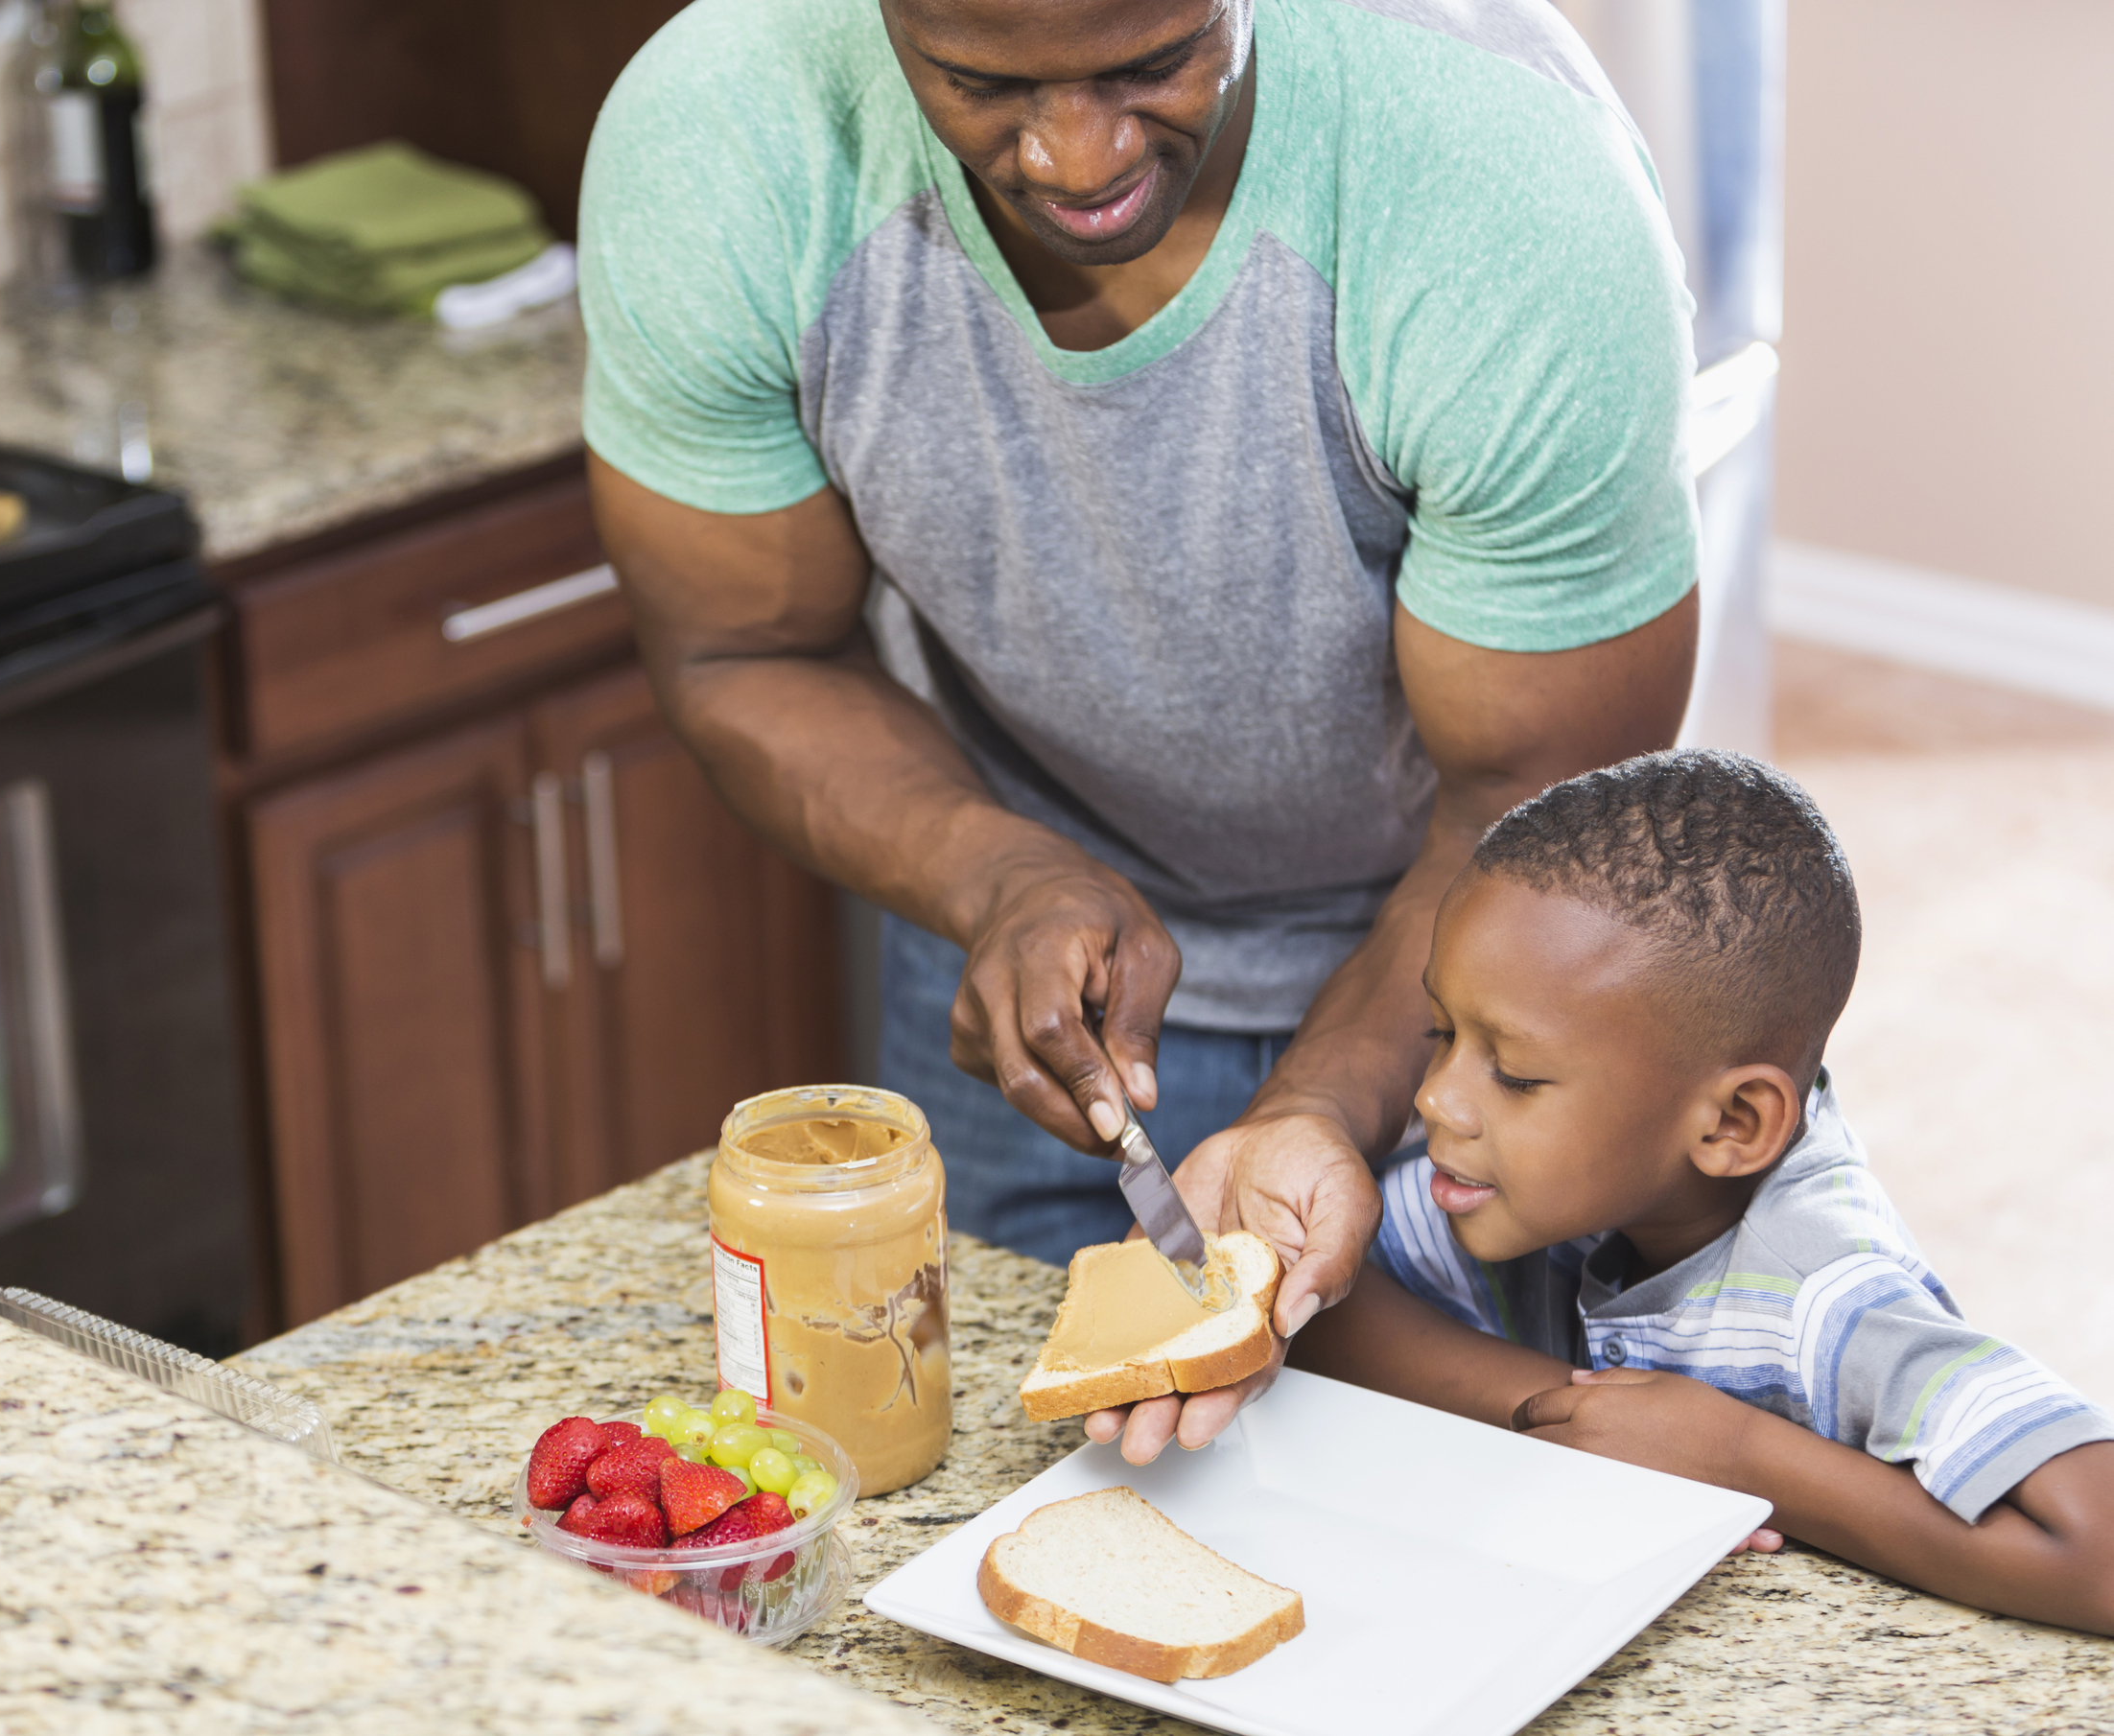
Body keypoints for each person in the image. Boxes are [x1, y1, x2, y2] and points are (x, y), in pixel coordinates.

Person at [579, 0, 1703, 1461]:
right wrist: (997, 879)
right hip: (1006, 947)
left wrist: (1317, 1099)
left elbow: (1534, 805)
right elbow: (740, 650)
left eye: (1147, 66)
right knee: (984, 1487)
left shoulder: (1497, 191)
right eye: (979, 82)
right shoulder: (723, 145)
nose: (1072, 154)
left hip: (1477, 971)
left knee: (1489, 1511)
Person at [1268, 749, 2114, 1632]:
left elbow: (2096, 1546)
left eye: (1513, 1075)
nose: (1435, 1097)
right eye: (1440, 1034)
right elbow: (1311, 1299)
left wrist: (1744, 1458)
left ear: (1731, 1126)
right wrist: (1580, 1416)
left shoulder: (1826, 1297)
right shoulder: (1529, 1186)